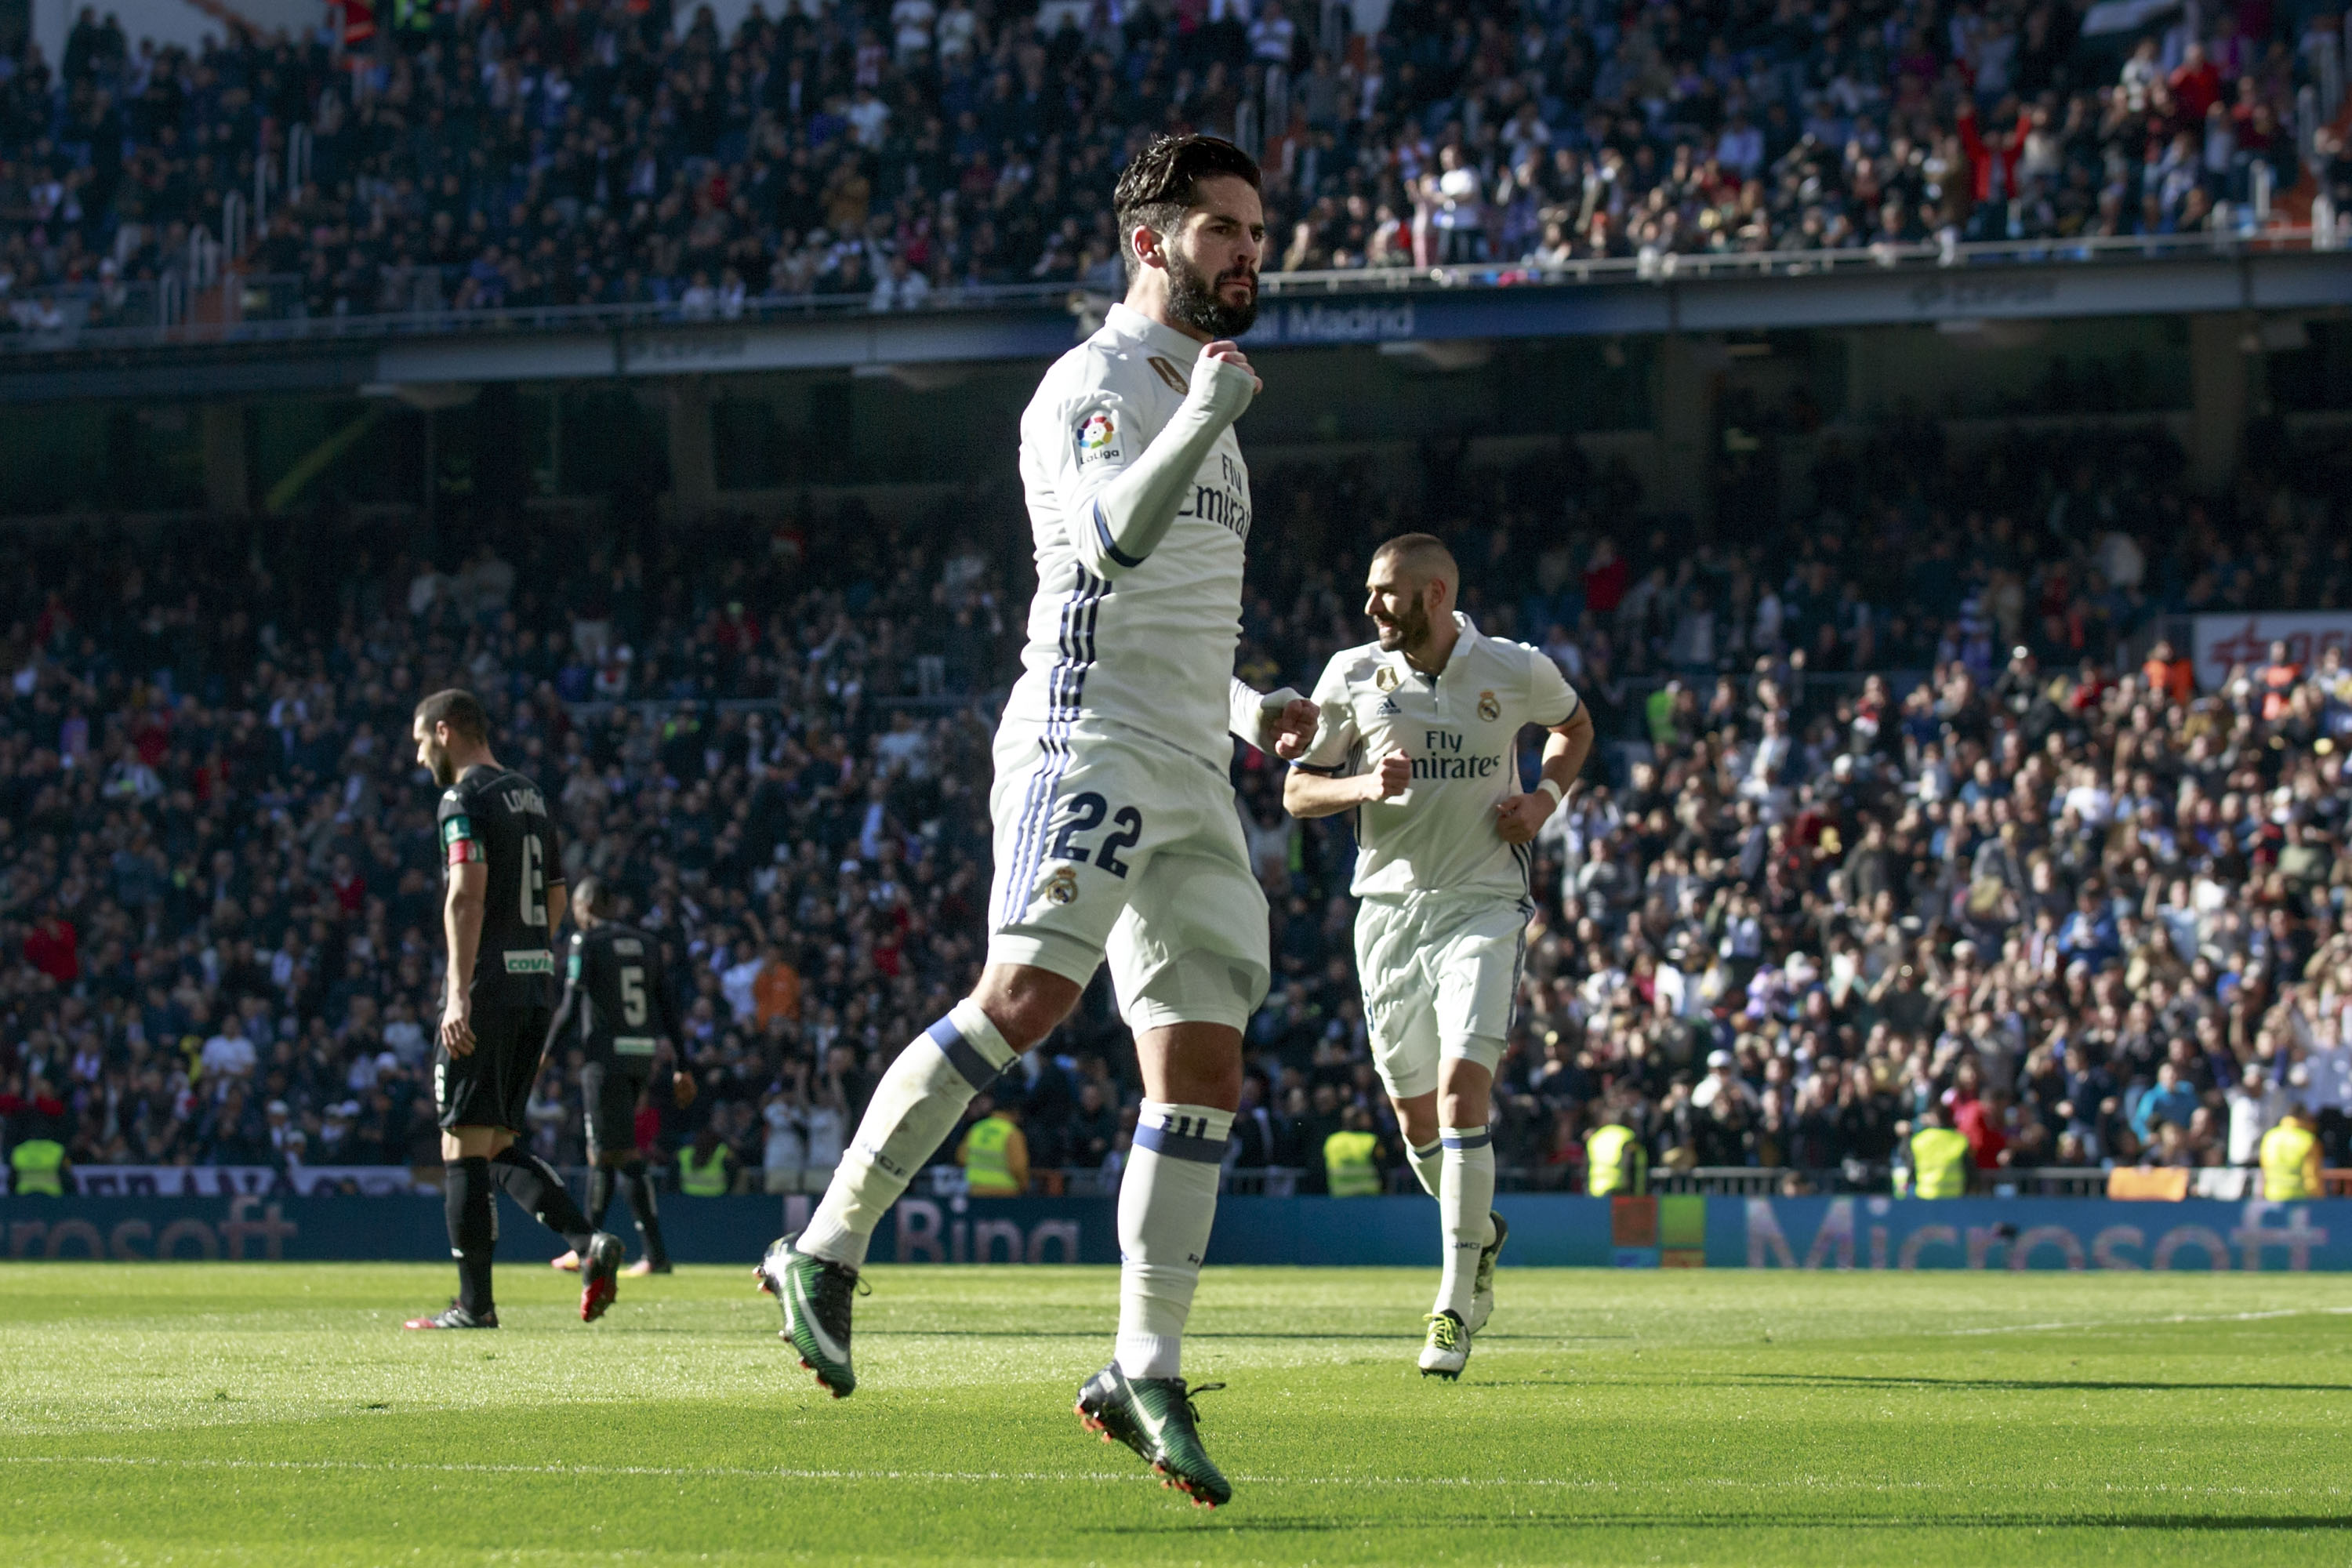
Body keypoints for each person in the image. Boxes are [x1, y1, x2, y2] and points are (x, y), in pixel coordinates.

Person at [753, 133, 1315, 1508]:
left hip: (1194, 763)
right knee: (1025, 994)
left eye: (1256, 230)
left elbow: (1184, 623)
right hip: (1087, 742)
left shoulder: (1209, 401)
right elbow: (1112, 544)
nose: (1251, 251)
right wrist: (1204, 420)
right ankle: (823, 1247)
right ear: (1152, 245)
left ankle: (1143, 1364)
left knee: (1204, 1075)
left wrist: (1258, 715)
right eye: (1224, 229)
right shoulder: (1099, 384)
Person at [1284, 532, 1594, 1381]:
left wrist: (1545, 797)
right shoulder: (1351, 674)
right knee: (1416, 1118)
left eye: (1385, 591)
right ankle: (1484, 1233)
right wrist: (1360, 786)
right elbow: (1297, 789)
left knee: (1465, 1089)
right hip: (1386, 913)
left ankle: (1454, 1302)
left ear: (1433, 593)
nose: (1369, 606)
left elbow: (1573, 725)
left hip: (1484, 904)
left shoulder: (1512, 666)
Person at [403, 689, 624, 1331]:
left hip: (489, 987)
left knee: (460, 1143)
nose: (421, 759)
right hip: (533, 985)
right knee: (497, 1142)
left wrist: (459, 991)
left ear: (445, 732)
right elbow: (557, 896)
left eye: (421, 743)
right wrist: (528, 954)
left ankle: (474, 1307)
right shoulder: (529, 794)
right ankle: (589, 1243)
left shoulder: (462, 800)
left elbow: (465, 896)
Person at [545, 876, 678, 1276]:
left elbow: (570, 1006)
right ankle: (649, 1254)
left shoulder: (586, 943)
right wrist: (681, 1062)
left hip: (603, 1060)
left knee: (604, 1151)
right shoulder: (647, 943)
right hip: (641, 1056)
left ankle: (589, 1249)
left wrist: (545, 1054)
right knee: (619, 1151)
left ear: (584, 907)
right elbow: (667, 1006)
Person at [956, 1095, 1029, 1196]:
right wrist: (1024, 1186)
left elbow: (961, 1158)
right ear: (1015, 1112)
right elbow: (1018, 1167)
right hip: (1005, 1193)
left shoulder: (977, 1128)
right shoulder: (1012, 1133)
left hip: (975, 1190)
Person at [1900, 1103, 1972, 1199]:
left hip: (1925, 1194)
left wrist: (1905, 1137)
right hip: (1955, 1195)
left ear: (1934, 1118)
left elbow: (1909, 1164)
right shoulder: (1961, 1140)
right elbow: (1970, 1170)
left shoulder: (1919, 1140)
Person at [2260, 1107, 2323, 1201]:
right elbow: (2311, 1176)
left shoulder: (2270, 1137)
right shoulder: (2308, 1140)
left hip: (2273, 1195)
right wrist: (2319, 1199)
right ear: (2303, 1117)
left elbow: (2265, 1168)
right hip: (2300, 1199)